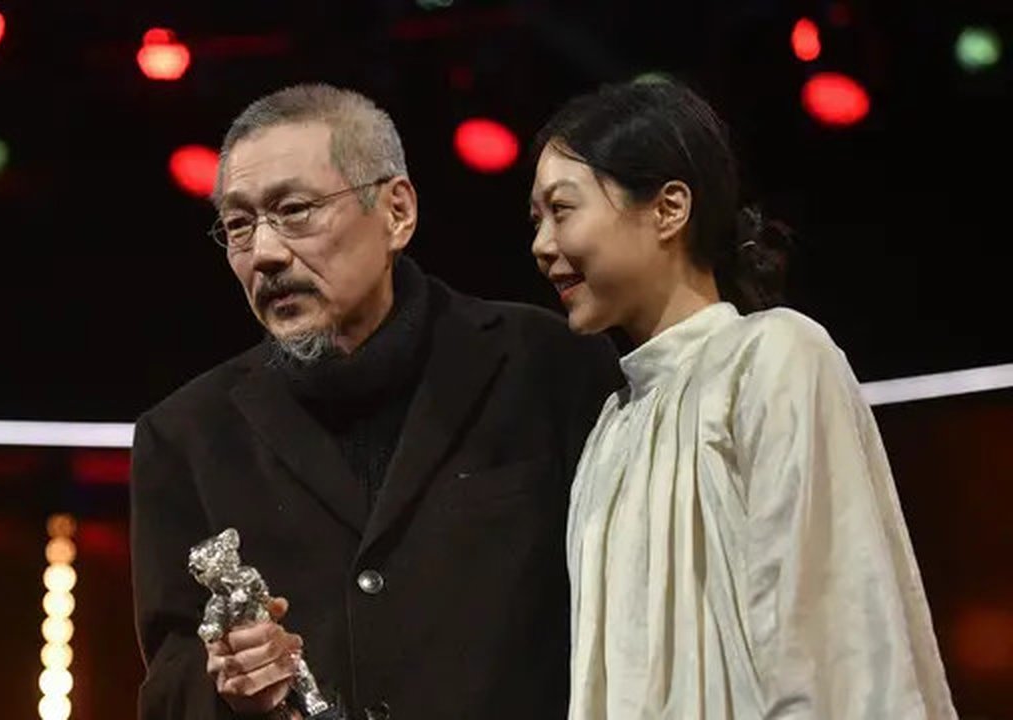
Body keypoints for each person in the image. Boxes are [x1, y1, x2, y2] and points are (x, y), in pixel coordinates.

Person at [129, 83, 621, 720]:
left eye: (296, 209)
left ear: (397, 212)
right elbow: (167, 694)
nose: (267, 254)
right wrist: (227, 685)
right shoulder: (185, 437)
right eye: (239, 225)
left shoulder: (550, 366)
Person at [528, 78, 957, 718]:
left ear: (669, 209)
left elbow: (836, 633)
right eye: (536, 220)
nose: (541, 245)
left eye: (562, 211)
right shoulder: (612, 429)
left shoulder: (773, 357)